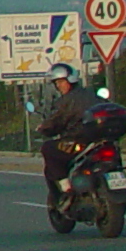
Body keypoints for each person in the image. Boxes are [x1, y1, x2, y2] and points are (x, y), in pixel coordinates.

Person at [37, 62, 103, 207]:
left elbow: (57, 120)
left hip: (77, 142)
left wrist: (43, 128)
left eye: (61, 81)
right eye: (57, 83)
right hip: (99, 140)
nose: (59, 86)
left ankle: (67, 188)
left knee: (48, 148)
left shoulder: (66, 101)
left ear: (71, 80)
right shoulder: (91, 93)